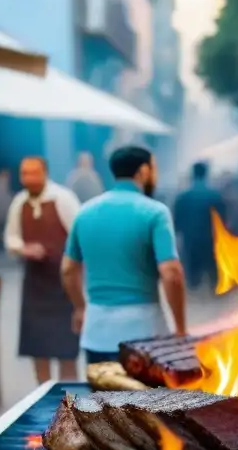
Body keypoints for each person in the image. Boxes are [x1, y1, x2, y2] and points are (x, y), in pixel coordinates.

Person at [61, 146, 187, 364]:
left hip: (97, 334)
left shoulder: (85, 212)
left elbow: (68, 270)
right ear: (144, 172)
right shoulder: (155, 212)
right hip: (146, 333)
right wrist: (181, 329)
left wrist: (81, 308)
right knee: (147, 399)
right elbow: (171, 273)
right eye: (154, 169)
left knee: (102, 398)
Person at [5, 156, 82, 383]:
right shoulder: (19, 202)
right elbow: (11, 238)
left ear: (45, 173)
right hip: (35, 285)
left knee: (67, 353)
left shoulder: (63, 198)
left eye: (33, 173)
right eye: (24, 173)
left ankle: (71, 407)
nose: (28, 178)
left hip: (63, 286)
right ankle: (45, 406)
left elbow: (79, 235)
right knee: (39, 353)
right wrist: (24, 249)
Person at [173, 161, 226, 289]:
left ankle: (196, 299)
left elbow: (176, 220)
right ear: (206, 174)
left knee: (193, 273)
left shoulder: (182, 197)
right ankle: (215, 298)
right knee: (212, 271)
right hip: (210, 239)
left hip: (190, 239)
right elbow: (222, 220)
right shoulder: (215, 195)